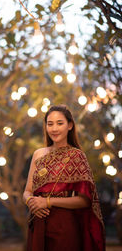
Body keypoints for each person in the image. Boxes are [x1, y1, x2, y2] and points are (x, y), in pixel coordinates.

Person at [23, 104, 105, 251]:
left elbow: (85, 200)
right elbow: (27, 191)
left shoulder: (77, 156)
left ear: (70, 125)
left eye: (60, 123)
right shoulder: (38, 154)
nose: (54, 129)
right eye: (50, 124)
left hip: (64, 225)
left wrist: (47, 201)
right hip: (38, 222)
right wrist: (31, 202)